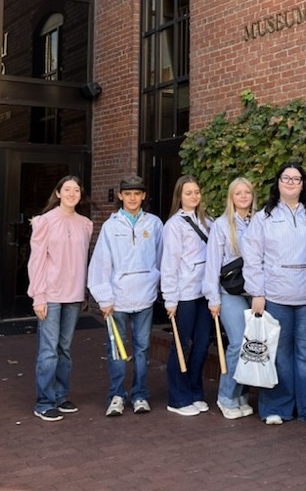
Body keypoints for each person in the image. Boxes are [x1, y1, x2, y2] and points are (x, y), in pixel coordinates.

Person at [241, 161, 306, 425]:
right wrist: (257, 291)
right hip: (275, 294)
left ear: (303, 184)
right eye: (286, 178)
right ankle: (277, 407)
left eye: (296, 179)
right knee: (277, 354)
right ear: (277, 183)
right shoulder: (263, 217)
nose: (291, 183)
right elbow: (252, 256)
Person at [87, 174, 163, 417]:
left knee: (142, 348)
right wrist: (104, 297)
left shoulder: (154, 224)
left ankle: (140, 394)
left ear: (143, 196)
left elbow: (162, 259)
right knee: (117, 350)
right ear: (120, 196)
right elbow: (101, 263)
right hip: (117, 299)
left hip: (145, 296)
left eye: (137, 193)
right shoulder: (111, 226)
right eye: (128, 194)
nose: (132, 198)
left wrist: (156, 283)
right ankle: (117, 395)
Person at [28, 175, 93, 421]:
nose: (71, 193)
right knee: (48, 350)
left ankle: (60, 396)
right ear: (58, 193)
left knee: (64, 349)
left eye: (76, 190)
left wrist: (84, 292)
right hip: (51, 294)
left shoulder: (86, 224)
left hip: (74, 296)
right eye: (67, 189)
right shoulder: (45, 221)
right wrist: (39, 296)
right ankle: (44, 401)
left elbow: (83, 262)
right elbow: (37, 261)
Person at [203, 176, 256, 419]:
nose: (243, 196)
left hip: (254, 292)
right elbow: (212, 263)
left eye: (247, 192)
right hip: (230, 292)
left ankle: (240, 395)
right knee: (237, 342)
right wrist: (213, 297)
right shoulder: (222, 225)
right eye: (238, 193)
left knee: (252, 344)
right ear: (231, 197)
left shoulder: (260, 221)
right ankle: (226, 396)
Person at [160, 175, 212, 416]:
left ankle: (195, 391)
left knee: (201, 344)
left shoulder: (207, 221)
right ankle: (178, 397)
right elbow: (169, 263)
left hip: (205, 292)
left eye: (196, 192)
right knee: (182, 345)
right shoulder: (174, 225)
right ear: (179, 196)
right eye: (188, 192)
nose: (193, 196)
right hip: (184, 294)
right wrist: (170, 298)